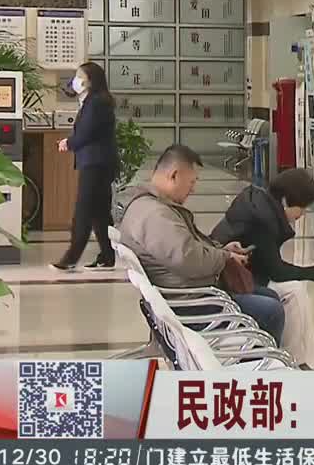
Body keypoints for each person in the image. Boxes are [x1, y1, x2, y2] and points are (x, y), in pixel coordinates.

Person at [117, 144, 285, 344]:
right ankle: (259, 360)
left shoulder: (153, 206)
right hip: (189, 303)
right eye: (192, 181)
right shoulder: (155, 214)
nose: (193, 189)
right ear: (174, 175)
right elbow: (189, 258)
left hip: (184, 291)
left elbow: (187, 247)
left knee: (269, 295)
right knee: (271, 311)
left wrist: (221, 250)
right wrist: (225, 257)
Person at [211, 168, 314, 368]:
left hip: (238, 274)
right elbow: (277, 271)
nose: (303, 214)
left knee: (295, 291)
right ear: (286, 200)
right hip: (232, 281)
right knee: (294, 293)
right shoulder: (263, 219)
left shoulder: (258, 204)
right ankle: (295, 361)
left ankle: (303, 360)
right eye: (301, 207)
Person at [52, 62, 119, 271]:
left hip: (95, 164)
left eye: (79, 76)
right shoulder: (94, 101)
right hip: (98, 163)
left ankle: (71, 258)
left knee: (84, 211)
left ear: (90, 80)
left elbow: (87, 132)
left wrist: (69, 143)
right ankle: (107, 255)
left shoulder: (96, 103)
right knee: (99, 213)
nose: (76, 79)